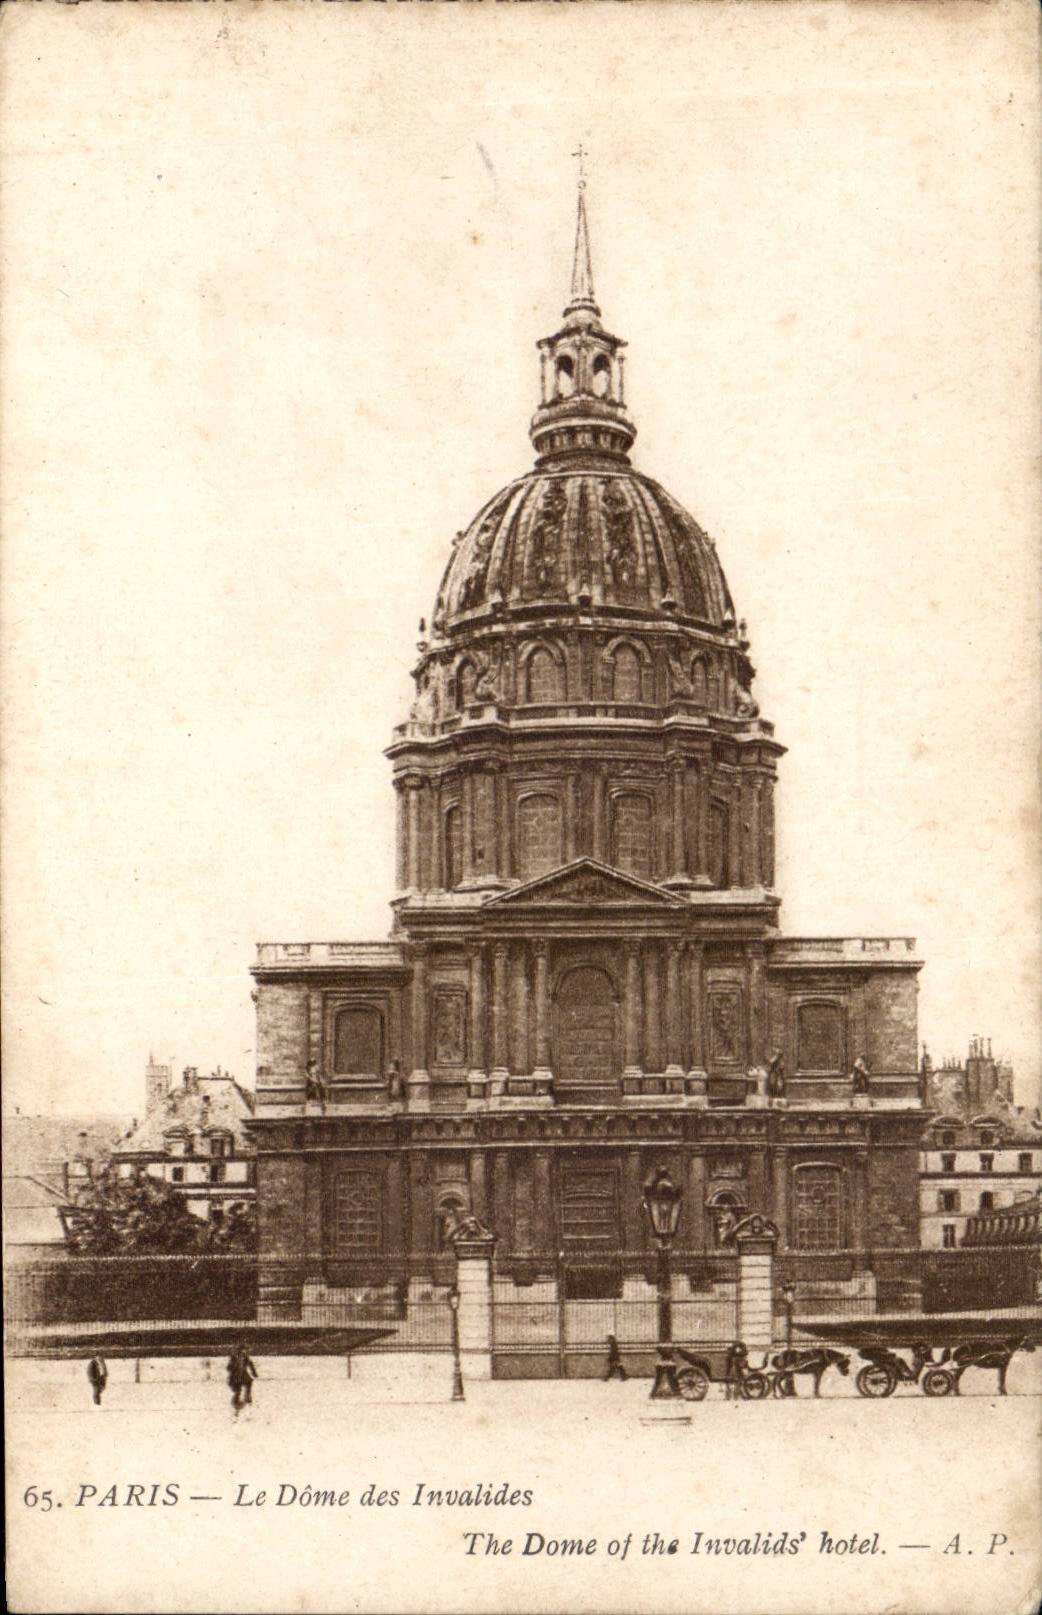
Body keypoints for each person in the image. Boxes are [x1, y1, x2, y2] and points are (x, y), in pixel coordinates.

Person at [227, 1343, 258, 1413]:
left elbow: (250, 1364)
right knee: (238, 1389)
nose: (246, 1351)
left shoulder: (245, 1357)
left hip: (242, 1375)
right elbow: (229, 1367)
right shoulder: (234, 1357)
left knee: (249, 1382)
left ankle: (247, 1396)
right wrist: (233, 1368)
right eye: (245, 1350)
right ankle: (237, 1402)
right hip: (235, 1376)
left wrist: (254, 1373)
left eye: (246, 1350)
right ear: (240, 1350)